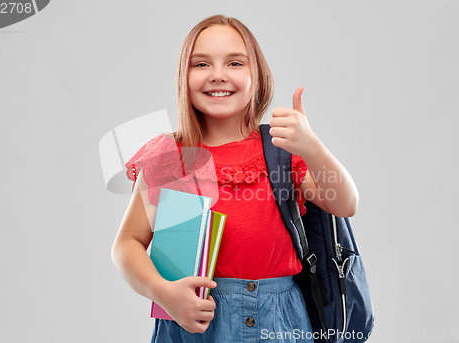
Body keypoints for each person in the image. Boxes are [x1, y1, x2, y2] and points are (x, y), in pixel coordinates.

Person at [111, 14, 358, 343]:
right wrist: (164, 293)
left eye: (234, 63)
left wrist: (313, 148)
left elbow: (345, 203)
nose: (217, 75)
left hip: (280, 321)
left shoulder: (282, 150)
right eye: (201, 64)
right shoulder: (169, 155)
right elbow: (126, 244)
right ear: (183, 76)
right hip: (193, 318)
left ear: (257, 76)